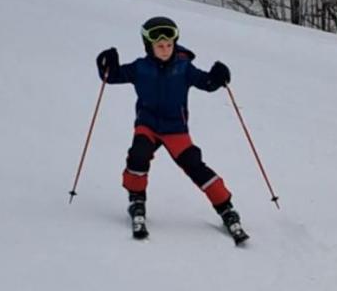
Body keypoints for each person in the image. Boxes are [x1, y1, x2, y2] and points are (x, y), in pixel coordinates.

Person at [96, 16, 246, 241]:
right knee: (138, 156)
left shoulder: (184, 68)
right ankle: (137, 199)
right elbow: (113, 77)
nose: (165, 50)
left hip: (176, 129)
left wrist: (217, 78)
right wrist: (106, 65)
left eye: (169, 45)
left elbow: (205, 82)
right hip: (148, 125)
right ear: (149, 46)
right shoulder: (140, 68)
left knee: (195, 166)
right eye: (160, 46)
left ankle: (226, 207)